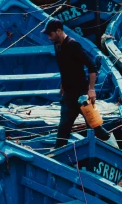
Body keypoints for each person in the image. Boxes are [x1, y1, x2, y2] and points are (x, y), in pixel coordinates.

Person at [43, 18, 116, 148]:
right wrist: (63, 84)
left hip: (82, 95)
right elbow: (65, 67)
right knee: (62, 133)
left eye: (50, 34)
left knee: (95, 129)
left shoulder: (73, 45)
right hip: (69, 96)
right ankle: (58, 159)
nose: (49, 37)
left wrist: (91, 90)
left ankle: (113, 148)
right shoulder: (57, 45)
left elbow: (92, 67)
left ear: (59, 31)